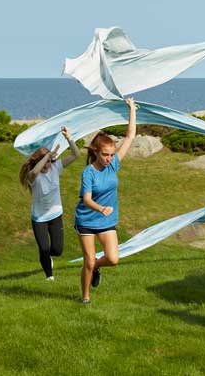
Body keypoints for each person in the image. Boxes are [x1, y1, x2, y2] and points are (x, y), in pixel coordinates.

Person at [75, 97, 136, 303]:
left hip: (106, 221)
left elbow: (129, 137)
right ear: (96, 152)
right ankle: (85, 298)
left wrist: (131, 109)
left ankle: (97, 269)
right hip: (87, 219)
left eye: (111, 154)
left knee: (112, 259)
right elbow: (86, 200)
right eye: (105, 154)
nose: (110, 158)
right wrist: (101, 208)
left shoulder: (113, 165)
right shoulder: (88, 172)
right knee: (89, 261)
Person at [19, 127, 80, 280]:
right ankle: (49, 277)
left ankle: (48, 257)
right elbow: (34, 172)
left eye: (47, 162)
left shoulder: (55, 167)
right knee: (44, 248)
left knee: (57, 250)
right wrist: (46, 156)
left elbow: (76, 154)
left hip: (55, 214)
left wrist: (69, 137)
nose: (46, 166)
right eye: (43, 162)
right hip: (39, 217)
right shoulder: (33, 176)